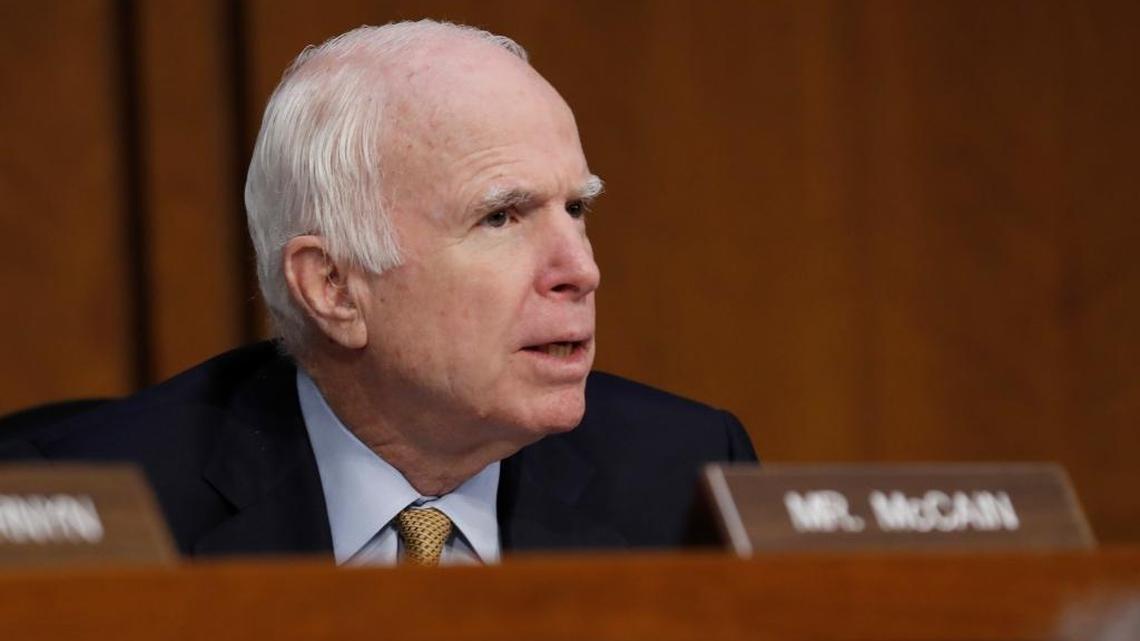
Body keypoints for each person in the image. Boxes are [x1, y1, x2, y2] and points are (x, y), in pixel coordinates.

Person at [2, 20, 755, 564]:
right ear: (332, 287)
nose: (580, 270)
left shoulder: (684, 474)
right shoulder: (86, 512)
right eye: (501, 216)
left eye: (576, 208)